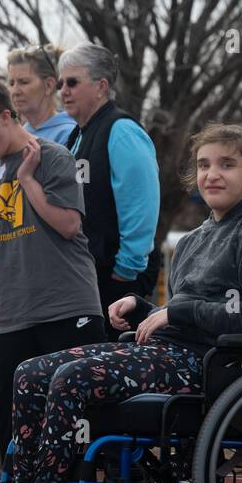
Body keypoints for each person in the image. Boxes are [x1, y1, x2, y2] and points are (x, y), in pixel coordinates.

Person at [0, 124, 242, 483]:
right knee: (29, 372)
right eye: (204, 165)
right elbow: (184, 314)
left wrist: (174, 311)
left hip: (217, 366)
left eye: (227, 165)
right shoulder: (193, 239)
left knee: (72, 377)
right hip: (173, 352)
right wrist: (144, 309)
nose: (213, 174)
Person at [0, 77, 106, 455]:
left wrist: (26, 180)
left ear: (5, 116)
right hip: (13, 315)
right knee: (13, 427)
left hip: (64, 310)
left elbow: (69, 225)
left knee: (71, 429)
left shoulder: (49, 156)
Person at [57, 43, 160, 337]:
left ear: (101, 86)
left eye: (73, 82)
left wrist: (124, 272)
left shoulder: (122, 131)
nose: (63, 90)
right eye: (61, 82)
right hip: (85, 277)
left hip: (118, 278)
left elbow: (142, 208)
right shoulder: (77, 135)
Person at [7, 44, 76, 144]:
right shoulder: (19, 135)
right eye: (11, 83)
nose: (15, 91)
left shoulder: (69, 134)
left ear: (49, 85)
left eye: (24, 82)